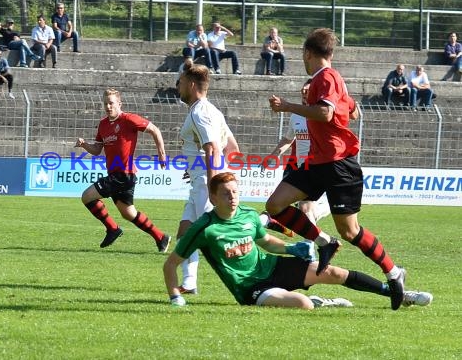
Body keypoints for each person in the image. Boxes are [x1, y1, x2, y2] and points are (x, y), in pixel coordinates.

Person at [266, 28, 407, 310]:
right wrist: (339, 106)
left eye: (303, 55)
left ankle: (393, 272)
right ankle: (323, 241)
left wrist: (287, 106)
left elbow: (326, 112)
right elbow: (352, 111)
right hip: (319, 162)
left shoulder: (327, 77)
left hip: (339, 164)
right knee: (275, 205)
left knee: (351, 231)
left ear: (308, 53)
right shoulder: (329, 80)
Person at [164, 172, 433, 309]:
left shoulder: (247, 215)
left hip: (273, 267)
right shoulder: (204, 228)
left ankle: (398, 293)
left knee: (335, 272)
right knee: (302, 305)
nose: (232, 197)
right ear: (213, 198)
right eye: (225, 193)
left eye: (235, 191)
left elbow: (267, 242)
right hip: (251, 289)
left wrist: (293, 247)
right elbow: (171, 264)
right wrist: (175, 296)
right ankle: (320, 301)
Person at [74, 88, 171, 252]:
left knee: (87, 196)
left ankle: (112, 229)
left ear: (119, 104)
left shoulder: (129, 119)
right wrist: (84, 145)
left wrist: (162, 154)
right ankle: (161, 237)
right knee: (129, 214)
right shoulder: (103, 124)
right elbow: (97, 150)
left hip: (124, 175)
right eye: (105, 103)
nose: (108, 106)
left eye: (111, 103)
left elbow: (155, 130)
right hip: (116, 175)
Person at [175, 64, 239, 294]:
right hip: (201, 179)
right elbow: (232, 148)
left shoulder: (199, 111)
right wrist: (196, 168)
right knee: (185, 233)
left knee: (215, 237)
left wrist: (213, 186)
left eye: (181, 82)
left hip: (206, 183)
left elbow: (211, 148)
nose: (179, 87)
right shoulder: (213, 110)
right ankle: (189, 282)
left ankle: (254, 276)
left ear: (192, 85)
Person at [260, 79, 330, 247]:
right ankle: (315, 245)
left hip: (318, 166)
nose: (304, 93)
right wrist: (274, 154)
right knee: (304, 208)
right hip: (301, 168)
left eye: (308, 90)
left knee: (304, 208)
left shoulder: (322, 114)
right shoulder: (296, 116)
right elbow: (288, 138)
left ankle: (312, 247)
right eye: (302, 91)